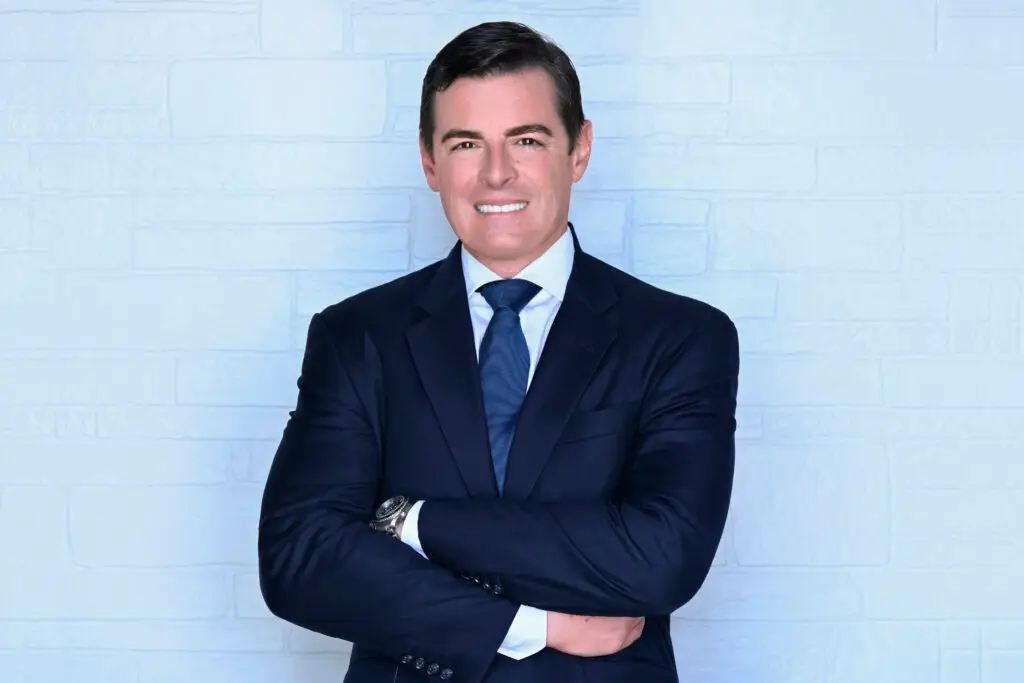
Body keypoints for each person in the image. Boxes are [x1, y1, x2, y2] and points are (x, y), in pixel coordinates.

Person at [257, 20, 739, 683]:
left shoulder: (680, 338)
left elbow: (661, 558)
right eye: (465, 143)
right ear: (429, 160)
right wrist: (533, 624)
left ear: (580, 149)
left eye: (527, 139)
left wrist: (412, 521)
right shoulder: (357, 336)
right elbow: (299, 556)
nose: (496, 173)